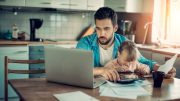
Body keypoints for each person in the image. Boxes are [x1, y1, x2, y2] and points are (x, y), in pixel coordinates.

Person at [76, 7, 176, 81]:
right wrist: (102, 70)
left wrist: (162, 69)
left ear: (115, 28)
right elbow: (78, 68)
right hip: (92, 88)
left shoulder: (125, 42)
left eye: (106, 29)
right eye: (98, 29)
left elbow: (143, 61)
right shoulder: (85, 42)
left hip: (118, 89)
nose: (101, 33)